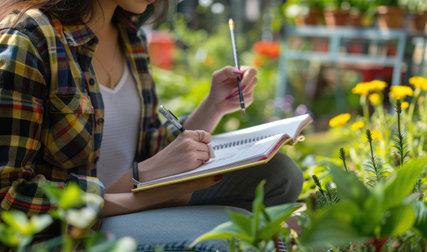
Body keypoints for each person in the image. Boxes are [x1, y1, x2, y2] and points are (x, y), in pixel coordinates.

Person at [0, 0, 303, 251]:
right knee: (227, 235)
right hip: (73, 228)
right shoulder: (29, 37)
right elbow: (8, 196)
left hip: (137, 196)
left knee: (279, 175)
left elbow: (150, 147)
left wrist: (214, 105)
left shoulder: (129, 35)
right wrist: (143, 187)